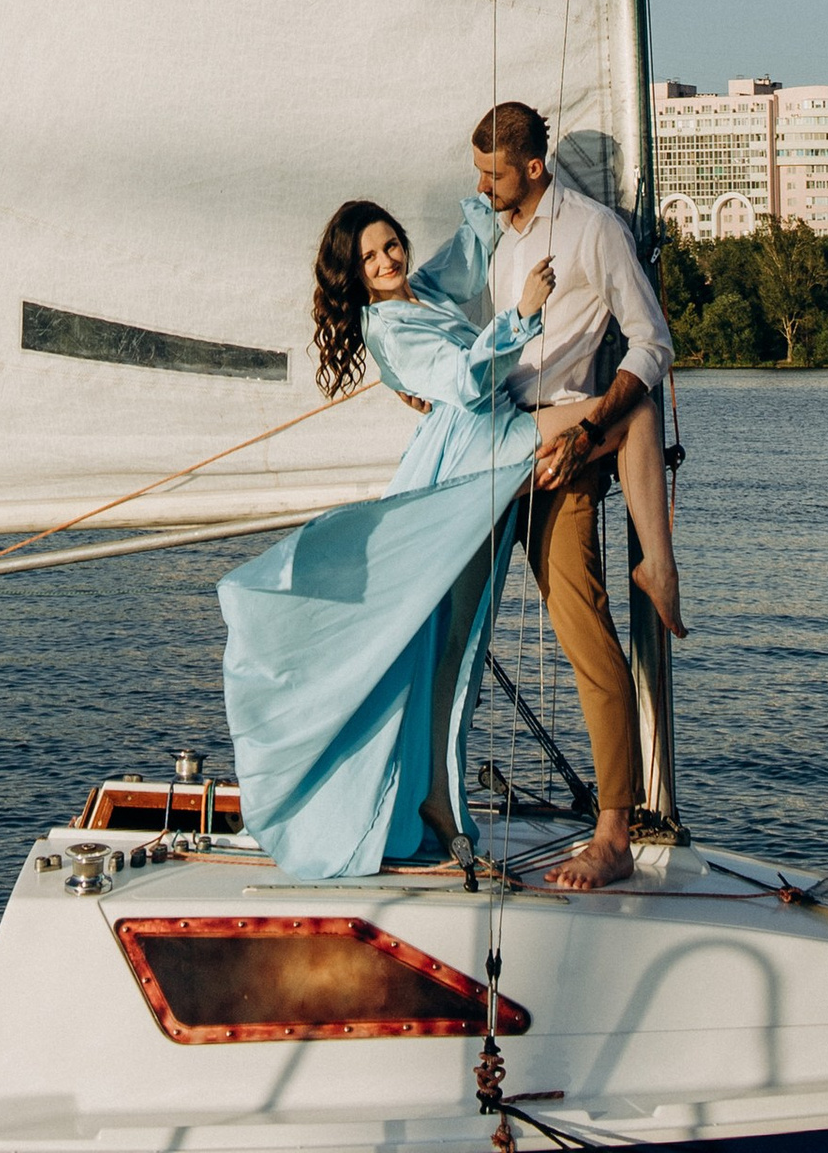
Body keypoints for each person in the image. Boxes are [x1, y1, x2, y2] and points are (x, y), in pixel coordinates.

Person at [218, 196, 552, 881]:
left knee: (459, 643)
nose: (387, 259)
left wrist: (491, 200)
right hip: (460, 461)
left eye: (391, 243)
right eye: (371, 257)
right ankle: (435, 802)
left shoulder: (420, 291)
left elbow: (464, 255)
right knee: (444, 647)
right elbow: (462, 379)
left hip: (479, 446)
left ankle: (437, 797)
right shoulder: (387, 328)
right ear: (356, 275)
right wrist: (521, 313)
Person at [464, 97, 680, 894]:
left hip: (565, 449)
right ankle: (427, 810)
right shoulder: (498, 243)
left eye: (493, 174)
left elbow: (652, 341)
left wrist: (590, 438)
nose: (483, 186)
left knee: (584, 632)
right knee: (442, 627)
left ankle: (616, 833)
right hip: (495, 446)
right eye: (478, 173)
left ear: (530, 167)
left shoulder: (592, 230)